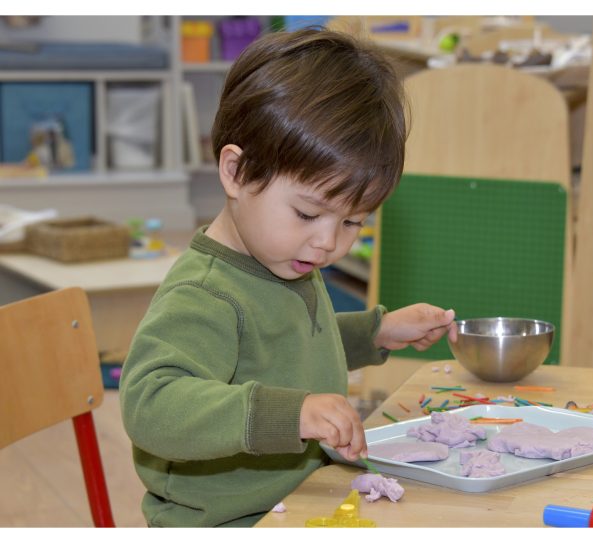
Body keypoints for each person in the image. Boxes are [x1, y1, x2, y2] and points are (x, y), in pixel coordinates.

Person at [119, 27, 457, 528]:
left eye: (351, 222)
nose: (328, 243)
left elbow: (283, 347)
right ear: (235, 172)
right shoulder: (206, 293)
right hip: (225, 522)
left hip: (299, 497)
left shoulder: (283, 254)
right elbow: (151, 404)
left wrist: (374, 333)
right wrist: (291, 414)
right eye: (306, 214)